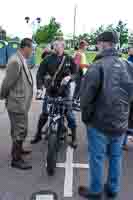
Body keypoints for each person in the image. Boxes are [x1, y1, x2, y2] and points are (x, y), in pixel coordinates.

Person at [78, 31, 133, 199]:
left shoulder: (98, 65)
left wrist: (86, 117)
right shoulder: (128, 65)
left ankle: (96, 191)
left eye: (99, 43)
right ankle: (113, 189)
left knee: (97, 158)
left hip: (99, 123)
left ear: (103, 43)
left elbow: (85, 97)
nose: (97, 46)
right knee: (116, 157)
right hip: (121, 122)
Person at [31, 40, 77, 148]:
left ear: (63, 46)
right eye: (54, 45)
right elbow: (40, 74)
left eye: (58, 45)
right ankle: (38, 134)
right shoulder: (47, 59)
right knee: (44, 114)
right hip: (50, 91)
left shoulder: (69, 59)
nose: (55, 47)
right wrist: (39, 88)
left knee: (70, 116)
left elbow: (76, 73)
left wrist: (70, 77)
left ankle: (74, 137)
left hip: (65, 92)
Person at [0, 38, 33, 170]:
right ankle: (16, 159)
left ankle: (19, 150)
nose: (33, 51)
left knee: (20, 129)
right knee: (19, 130)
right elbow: (7, 83)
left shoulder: (21, 58)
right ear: (26, 47)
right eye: (32, 49)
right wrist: (2, 95)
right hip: (16, 103)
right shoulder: (15, 61)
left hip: (21, 102)